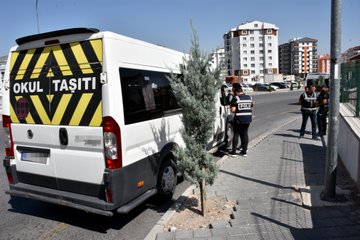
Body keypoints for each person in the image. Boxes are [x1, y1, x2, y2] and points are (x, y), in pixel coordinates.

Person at [230, 85, 254, 157]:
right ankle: (244, 152)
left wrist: (231, 106)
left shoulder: (236, 98)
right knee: (245, 134)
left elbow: (233, 110)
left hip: (238, 119)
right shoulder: (249, 97)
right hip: (248, 118)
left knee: (236, 134)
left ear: (237, 92)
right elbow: (252, 106)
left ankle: (233, 153)